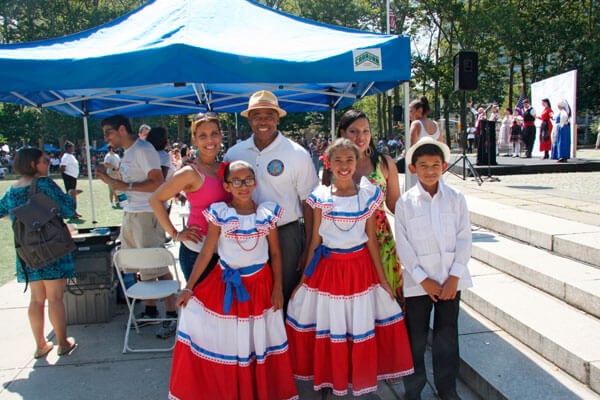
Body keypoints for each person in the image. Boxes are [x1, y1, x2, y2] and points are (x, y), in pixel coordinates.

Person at [286, 138, 414, 397]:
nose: (344, 166)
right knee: (332, 323)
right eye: (338, 161)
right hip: (328, 270)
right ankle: (333, 377)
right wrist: (302, 281)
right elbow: (314, 242)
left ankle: (355, 377)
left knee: (357, 322)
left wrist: (383, 280)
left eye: (349, 160)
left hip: (360, 271)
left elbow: (372, 244)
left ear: (357, 163)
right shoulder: (321, 197)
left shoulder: (367, 195)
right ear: (329, 164)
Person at [169, 160, 297, 400]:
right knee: (230, 339)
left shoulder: (266, 214)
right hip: (225, 284)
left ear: (255, 182)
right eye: (236, 181)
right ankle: (233, 389)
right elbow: (207, 252)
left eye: (248, 180)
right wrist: (189, 287)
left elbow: (276, 253)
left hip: (260, 286)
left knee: (258, 338)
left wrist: (278, 288)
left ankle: (257, 389)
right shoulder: (221, 214)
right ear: (226, 186)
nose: (243, 186)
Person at [223, 90, 319, 306]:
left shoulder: (297, 154)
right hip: (244, 232)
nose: (263, 121)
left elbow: (309, 204)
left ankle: (283, 339)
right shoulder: (234, 153)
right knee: (249, 291)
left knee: (283, 293)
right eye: (257, 116)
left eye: (269, 115)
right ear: (249, 119)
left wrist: (307, 248)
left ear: (277, 118)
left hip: (286, 234)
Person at [395, 137, 472, 400]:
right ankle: (413, 389)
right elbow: (403, 246)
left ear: (445, 166)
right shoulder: (405, 203)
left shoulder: (456, 198)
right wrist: (422, 279)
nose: (430, 171)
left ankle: (447, 388)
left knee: (447, 336)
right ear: (413, 168)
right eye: (424, 165)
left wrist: (454, 276)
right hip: (419, 284)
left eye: (436, 165)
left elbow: (464, 238)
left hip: (451, 281)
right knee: (415, 338)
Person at [96, 115, 176, 339]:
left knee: (156, 263)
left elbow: (157, 181)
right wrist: (113, 179)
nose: (106, 138)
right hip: (131, 212)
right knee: (141, 265)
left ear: (122, 129)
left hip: (147, 213)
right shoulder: (128, 152)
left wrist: (122, 184)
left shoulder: (144, 149)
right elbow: (131, 181)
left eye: (108, 133)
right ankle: (151, 310)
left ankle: (171, 315)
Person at [0, 148, 77, 358]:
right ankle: (62, 342)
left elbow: (2, 213)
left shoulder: (12, 190)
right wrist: (71, 194)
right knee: (55, 298)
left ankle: (40, 345)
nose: (48, 164)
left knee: (36, 299)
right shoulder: (44, 184)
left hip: (27, 252)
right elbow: (69, 209)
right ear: (34, 164)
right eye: (44, 161)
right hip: (52, 248)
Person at [327, 109, 404, 306]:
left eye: (366, 131)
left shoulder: (384, 163)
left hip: (380, 239)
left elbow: (395, 205)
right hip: (347, 241)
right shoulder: (332, 166)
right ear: (342, 133)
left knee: (385, 298)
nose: (361, 137)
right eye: (354, 131)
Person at [150, 112, 231, 282]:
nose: (210, 140)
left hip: (225, 252)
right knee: (199, 307)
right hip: (197, 252)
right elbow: (155, 199)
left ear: (221, 135)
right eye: (203, 136)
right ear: (194, 139)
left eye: (214, 134)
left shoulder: (226, 168)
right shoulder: (190, 172)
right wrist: (175, 234)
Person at [407, 95, 443, 189]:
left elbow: (412, 149)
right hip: (434, 166)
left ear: (420, 110)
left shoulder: (416, 124)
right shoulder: (435, 124)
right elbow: (441, 146)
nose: (409, 114)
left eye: (411, 111)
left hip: (420, 166)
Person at [59, 141, 82, 218]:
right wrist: (66, 177)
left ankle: (74, 211)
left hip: (73, 177)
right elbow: (62, 168)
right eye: (72, 147)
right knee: (71, 195)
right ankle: (71, 213)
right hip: (69, 177)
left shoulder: (71, 156)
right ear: (68, 148)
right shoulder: (66, 157)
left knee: (73, 195)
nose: (73, 148)